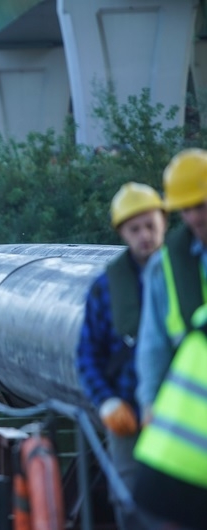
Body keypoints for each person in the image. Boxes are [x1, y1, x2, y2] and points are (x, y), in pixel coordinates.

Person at [75, 182, 166, 530]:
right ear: (122, 232)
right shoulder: (106, 287)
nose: (144, 235)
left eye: (150, 225)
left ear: (163, 222)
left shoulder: (186, 275)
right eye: (135, 229)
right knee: (129, 497)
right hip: (127, 412)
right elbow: (87, 354)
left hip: (180, 414)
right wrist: (106, 401)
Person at [133, 148, 207, 528]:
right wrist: (148, 403)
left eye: (202, 205)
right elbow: (153, 345)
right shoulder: (168, 267)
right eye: (187, 208)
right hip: (190, 431)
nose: (195, 216)